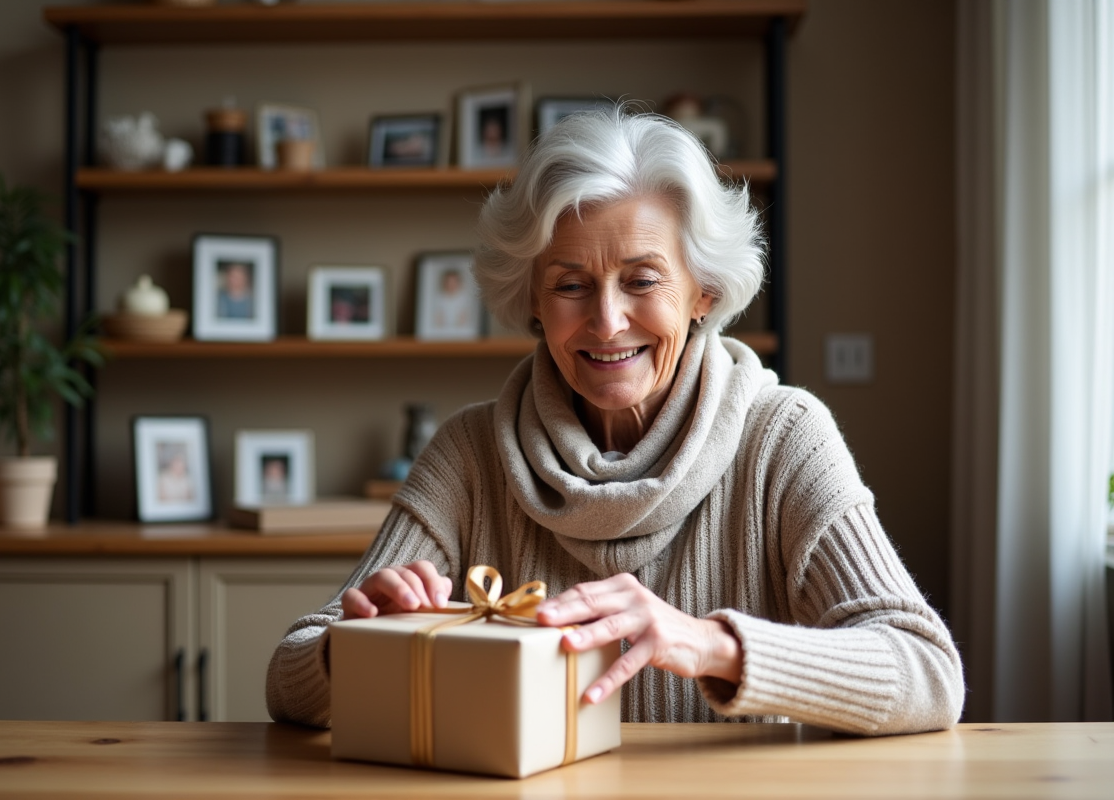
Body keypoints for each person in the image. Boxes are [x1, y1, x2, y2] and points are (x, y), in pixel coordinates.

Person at [266, 108, 964, 735]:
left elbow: (929, 674)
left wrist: (711, 645)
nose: (606, 321)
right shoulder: (469, 454)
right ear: (533, 301)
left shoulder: (783, 438)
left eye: (642, 280)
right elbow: (288, 681)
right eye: (570, 285)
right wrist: (355, 644)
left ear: (704, 290)